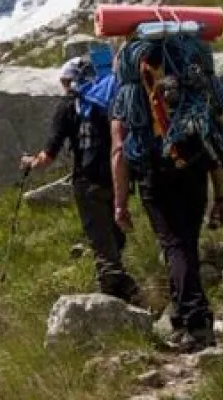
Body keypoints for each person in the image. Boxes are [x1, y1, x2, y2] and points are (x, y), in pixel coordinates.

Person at [111, 35, 223, 352]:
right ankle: (182, 316)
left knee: (175, 244)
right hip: (195, 164)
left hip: (155, 170)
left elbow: (119, 152)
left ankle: (197, 323)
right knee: (186, 242)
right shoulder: (197, 89)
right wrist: (221, 197)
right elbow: (215, 147)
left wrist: (120, 203)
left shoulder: (128, 94)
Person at [22, 57, 141, 303]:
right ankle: (125, 286)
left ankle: (114, 298)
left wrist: (30, 163)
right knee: (114, 235)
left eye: (64, 82)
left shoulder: (67, 106)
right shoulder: (109, 99)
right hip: (117, 177)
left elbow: (48, 155)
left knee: (100, 239)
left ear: (69, 81)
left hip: (87, 181)